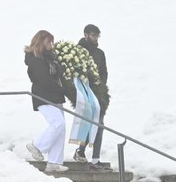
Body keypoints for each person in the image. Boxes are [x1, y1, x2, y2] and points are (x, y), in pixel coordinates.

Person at [24, 30, 68, 172]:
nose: (51, 44)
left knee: (61, 128)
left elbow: (58, 74)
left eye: (52, 41)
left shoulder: (50, 57)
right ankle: (37, 146)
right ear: (40, 42)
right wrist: (62, 90)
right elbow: (44, 80)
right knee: (58, 123)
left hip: (54, 95)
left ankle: (54, 162)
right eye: (48, 41)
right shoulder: (35, 58)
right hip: (43, 95)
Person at [73, 24, 111, 170]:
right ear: (86, 34)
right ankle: (81, 151)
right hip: (83, 92)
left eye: (97, 36)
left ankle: (94, 158)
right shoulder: (77, 50)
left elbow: (104, 72)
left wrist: (101, 86)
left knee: (99, 124)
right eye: (93, 35)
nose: (95, 38)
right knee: (89, 123)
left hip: (98, 93)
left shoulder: (100, 53)